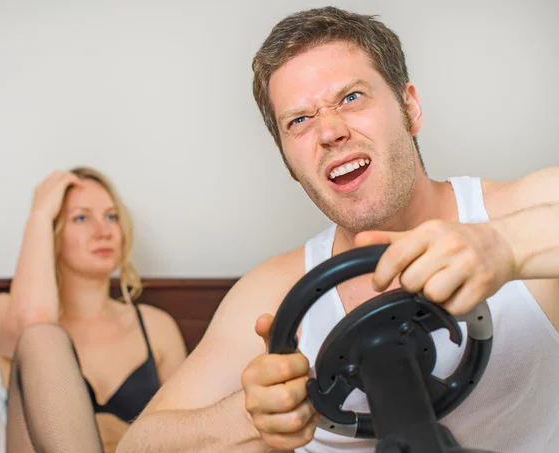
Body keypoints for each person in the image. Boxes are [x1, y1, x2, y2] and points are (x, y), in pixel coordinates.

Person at [116, 6, 559, 453]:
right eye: (300, 121)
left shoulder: (521, 209)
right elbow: (137, 445)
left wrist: (507, 246)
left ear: (410, 108)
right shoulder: (271, 291)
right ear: (289, 161)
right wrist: (251, 418)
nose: (329, 131)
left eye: (351, 97)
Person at [0, 167, 188, 453]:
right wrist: (39, 216)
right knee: (42, 338)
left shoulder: (156, 326)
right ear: (52, 232)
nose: (103, 231)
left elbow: (188, 435)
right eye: (81, 218)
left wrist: (124, 435)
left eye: (111, 216)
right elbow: (35, 322)